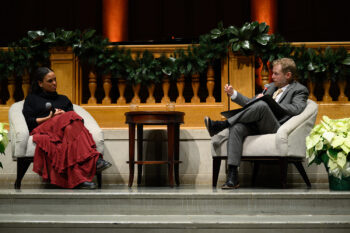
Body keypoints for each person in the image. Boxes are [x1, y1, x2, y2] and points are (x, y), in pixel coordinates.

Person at [204, 58, 309, 189]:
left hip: (276, 127)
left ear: (288, 75)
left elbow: (296, 109)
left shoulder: (299, 90)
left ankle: (223, 125)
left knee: (262, 105)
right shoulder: (270, 87)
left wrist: (271, 103)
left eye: (276, 74)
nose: (272, 76)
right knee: (237, 127)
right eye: (272, 73)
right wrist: (233, 94)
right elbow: (250, 105)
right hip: (257, 124)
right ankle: (232, 176)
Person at [22, 67, 112, 189]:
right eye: (50, 81)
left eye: (55, 80)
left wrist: (63, 115)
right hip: (43, 129)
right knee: (70, 116)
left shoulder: (63, 99)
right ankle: (94, 160)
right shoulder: (32, 99)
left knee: (71, 125)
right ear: (40, 83)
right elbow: (29, 122)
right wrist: (50, 117)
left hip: (64, 132)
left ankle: (79, 180)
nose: (54, 83)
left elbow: (77, 123)